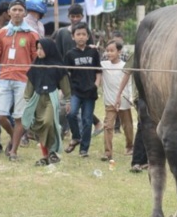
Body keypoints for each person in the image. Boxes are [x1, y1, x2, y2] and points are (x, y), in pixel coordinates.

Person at [0, 0, 39, 161]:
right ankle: (13, 136)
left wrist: (34, 81)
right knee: (0, 115)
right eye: (14, 9)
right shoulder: (0, 33)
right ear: (8, 12)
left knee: (18, 117)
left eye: (20, 10)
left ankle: (14, 151)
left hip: (23, 80)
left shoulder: (32, 34)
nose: (17, 13)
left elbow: (35, 60)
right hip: (4, 78)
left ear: (25, 13)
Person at [22, 38, 71, 166]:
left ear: (49, 49)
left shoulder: (57, 67)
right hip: (37, 99)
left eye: (42, 48)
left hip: (51, 98)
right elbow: (29, 89)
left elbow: (66, 88)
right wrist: (28, 102)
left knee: (48, 122)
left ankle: (53, 152)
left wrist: (68, 101)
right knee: (40, 126)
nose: (39, 51)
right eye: (37, 48)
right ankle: (46, 156)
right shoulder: (34, 67)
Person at [63, 22, 102, 158]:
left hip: (90, 92)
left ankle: (84, 149)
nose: (81, 37)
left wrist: (96, 85)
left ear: (88, 36)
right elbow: (66, 75)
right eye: (78, 34)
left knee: (87, 120)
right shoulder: (70, 54)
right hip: (76, 91)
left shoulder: (93, 52)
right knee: (71, 113)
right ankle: (76, 137)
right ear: (73, 37)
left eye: (83, 34)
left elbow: (98, 71)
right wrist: (67, 92)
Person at [101, 39, 134, 162]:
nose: (109, 53)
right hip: (110, 101)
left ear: (119, 51)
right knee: (108, 126)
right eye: (107, 51)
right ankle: (108, 152)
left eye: (112, 51)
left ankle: (130, 146)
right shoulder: (103, 65)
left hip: (123, 101)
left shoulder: (124, 66)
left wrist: (130, 97)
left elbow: (129, 83)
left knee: (128, 126)